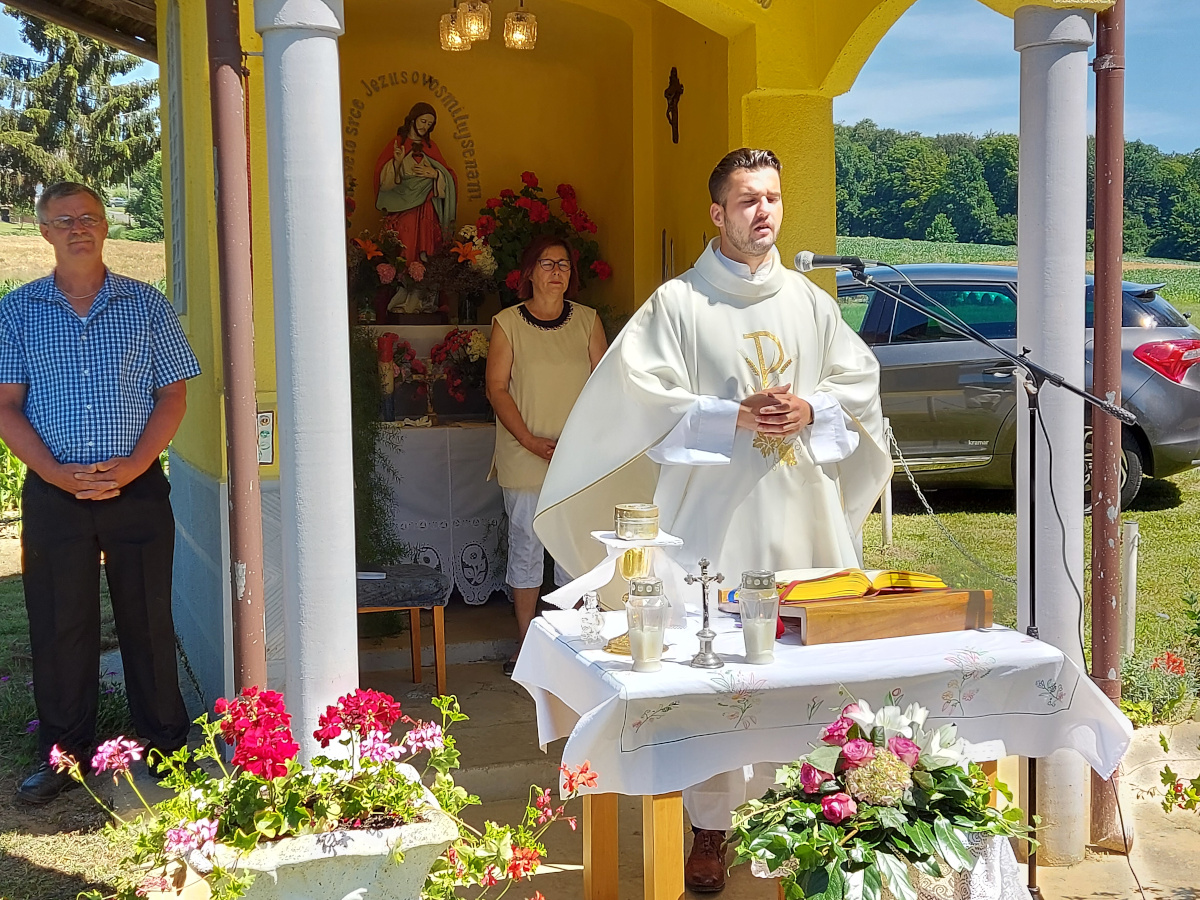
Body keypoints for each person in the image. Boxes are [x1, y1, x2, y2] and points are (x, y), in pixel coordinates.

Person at [533, 149, 892, 890]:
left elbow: (857, 382)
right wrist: (730, 416)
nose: (764, 212)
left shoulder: (812, 303)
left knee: (810, 675)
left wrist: (811, 409)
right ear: (717, 214)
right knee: (713, 678)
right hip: (711, 526)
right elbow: (638, 401)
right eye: (747, 200)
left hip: (804, 519)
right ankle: (711, 827)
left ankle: (818, 813)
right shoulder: (678, 306)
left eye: (773, 198)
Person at [0, 182, 201, 804]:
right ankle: (64, 756)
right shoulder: (17, 310)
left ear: (106, 226)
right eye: (64, 220)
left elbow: (173, 394)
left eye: (88, 217)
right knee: (60, 624)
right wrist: (56, 474)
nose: (77, 227)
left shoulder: (147, 305)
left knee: (147, 616)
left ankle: (166, 744)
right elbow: (6, 407)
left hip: (136, 489)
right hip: (56, 492)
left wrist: (139, 463)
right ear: (45, 232)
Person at [486, 235, 608, 676]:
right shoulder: (507, 323)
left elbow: (603, 386)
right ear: (529, 272)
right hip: (525, 453)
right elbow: (497, 389)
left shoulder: (588, 321)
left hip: (576, 457)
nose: (556, 271)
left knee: (574, 548)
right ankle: (526, 644)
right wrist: (531, 441)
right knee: (527, 546)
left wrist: (584, 445)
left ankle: (568, 641)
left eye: (563, 264)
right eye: (546, 263)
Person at [374, 102, 459, 261]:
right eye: (423, 121)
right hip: (403, 208)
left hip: (427, 208)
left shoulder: (430, 146)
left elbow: (449, 176)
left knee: (426, 251)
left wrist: (435, 173)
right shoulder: (398, 143)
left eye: (429, 124)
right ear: (413, 119)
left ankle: (423, 278)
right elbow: (383, 180)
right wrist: (397, 162)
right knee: (405, 247)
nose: (425, 126)